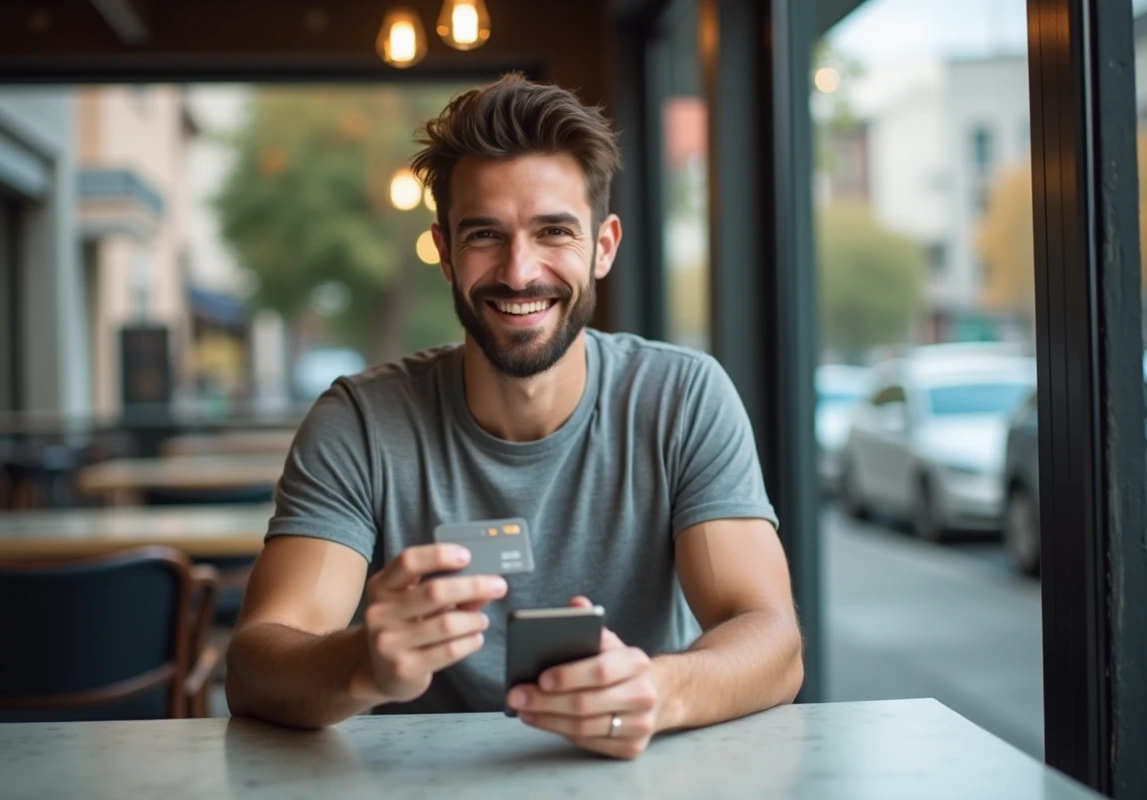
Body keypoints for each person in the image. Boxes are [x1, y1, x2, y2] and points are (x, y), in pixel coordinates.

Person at [226, 73, 803, 761]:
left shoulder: (683, 398)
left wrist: (660, 689)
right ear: (445, 251)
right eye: (484, 235)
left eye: (554, 231)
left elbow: (773, 639)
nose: (519, 271)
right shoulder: (361, 422)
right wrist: (363, 665)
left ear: (604, 246)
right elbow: (256, 663)